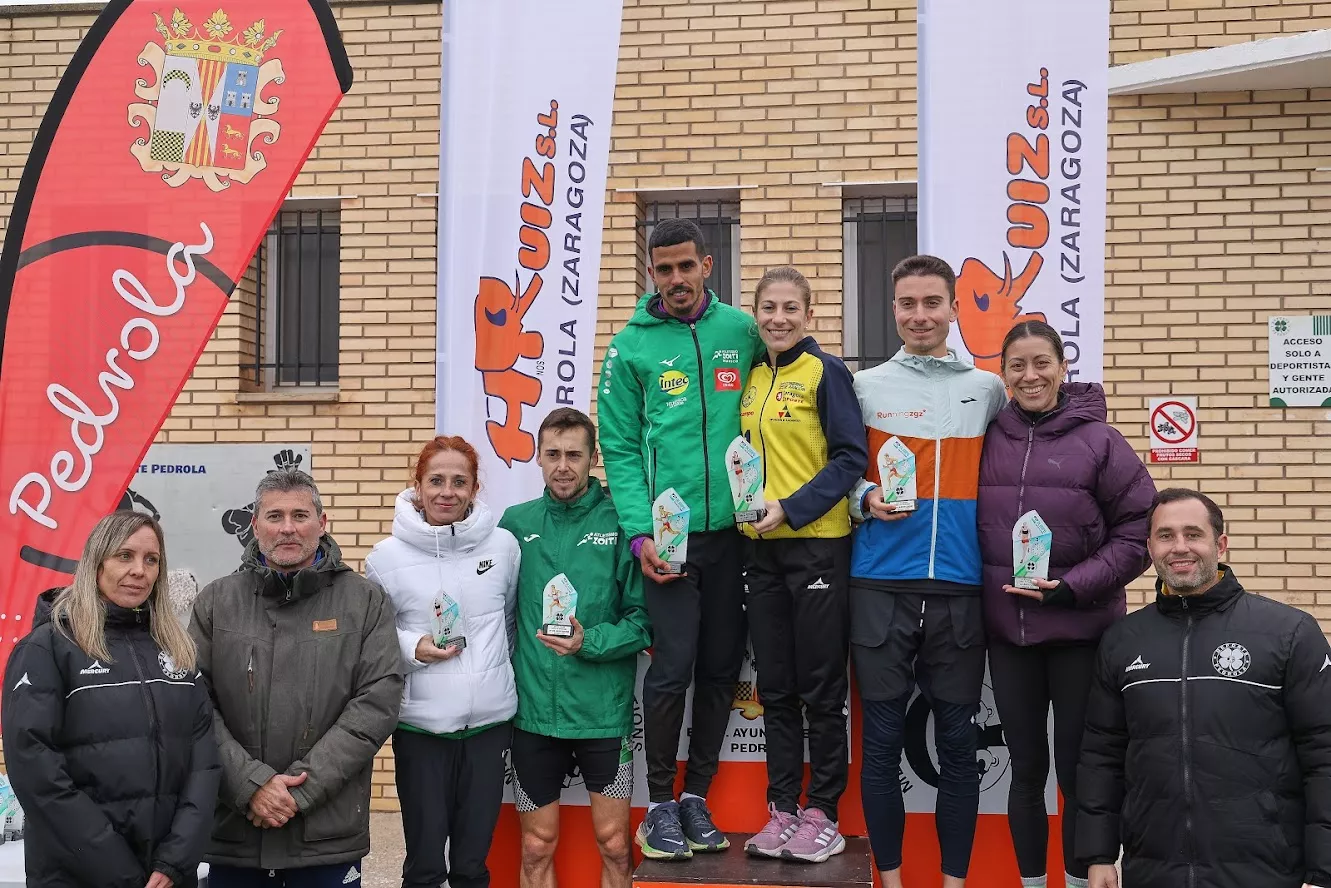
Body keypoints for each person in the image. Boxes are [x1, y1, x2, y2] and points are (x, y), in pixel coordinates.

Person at [597, 217, 762, 859]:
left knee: (721, 670)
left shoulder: (741, 331)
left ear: (707, 266)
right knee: (671, 671)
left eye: (685, 266)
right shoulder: (630, 346)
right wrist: (641, 537)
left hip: (736, 536)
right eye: (663, 269)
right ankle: (660, 803)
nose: (675, 279)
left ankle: (697, 796)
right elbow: (618, 448)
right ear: (651, 274)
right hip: (669, 543)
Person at [1076, 489, 1331, 888]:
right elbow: (1101, 755)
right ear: (1150, 548)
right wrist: (1099, 855)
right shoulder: (1122, 641)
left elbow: (1324, 754)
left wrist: (1323, 870)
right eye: (1166, 536)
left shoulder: (1289, 632)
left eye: (1193, 534)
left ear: (1220, 544)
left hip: (1266, 871)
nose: (1180, 547)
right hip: (1154, 871)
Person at [977, 320, 1156, 888]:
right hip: (1010, 635)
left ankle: (1082, 881)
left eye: (1041, 363)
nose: (1030, 376)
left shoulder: (1101, 441)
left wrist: (1074, 585)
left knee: (1081, 773)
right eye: (1017, 366)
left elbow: (1140, 529)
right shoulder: (987, 436)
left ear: (1062, 367)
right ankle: (1032, 883)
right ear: (1003, 374)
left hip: (1082, 634)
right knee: (1026, 772)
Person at [847, 254, 1007, 888]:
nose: (920, 315)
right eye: (908, 303)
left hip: (959, 590)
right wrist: (864, 498)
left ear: (954, 308)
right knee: (883, 746)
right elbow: (836, 469)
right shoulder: (865, 386)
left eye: (932, 303)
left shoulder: (987, 388)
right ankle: (889, 882)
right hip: (880, 584)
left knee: (960, 748)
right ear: (893, 309)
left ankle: (953, 883)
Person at [190, 469, 402, 887]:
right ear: (255, 526)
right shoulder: (217, 601)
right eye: (275, 516)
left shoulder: (365, 602)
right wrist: (250, 785)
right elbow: (194, 704)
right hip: (237, 830)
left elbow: (376, 704)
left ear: (322, 523)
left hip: (326, 834)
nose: (287, 528)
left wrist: (297, 792)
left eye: (300, 515)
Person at [2, 511, 220, 888]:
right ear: (96, 562)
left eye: (151, 560)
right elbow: (36, 770)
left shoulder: (176, 649)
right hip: (80, 875)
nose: (139, 571)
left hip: (165, 876)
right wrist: (119, 872)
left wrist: (175, 861)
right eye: (125, 555)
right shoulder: (49, 647)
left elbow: (204, 762)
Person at [737, 266, 867, 863]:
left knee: (820, 688)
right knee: (777, 689)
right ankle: (783, 809)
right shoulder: (753, 375)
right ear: (756, 314)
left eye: (791, 308)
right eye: (769, 308)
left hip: (817, 545)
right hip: (761, 552)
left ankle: (823, 813)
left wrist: (790, 509)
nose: (779, 318)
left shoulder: (826, 371)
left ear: (809, 315)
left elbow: (849, 459)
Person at [498, 408, 652, 888]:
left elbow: (643, 621)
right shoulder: (515, 523)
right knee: (535, 845)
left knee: (614, 843)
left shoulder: (622, 523)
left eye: (573, 455)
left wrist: (590, 642)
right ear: (538, 458)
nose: (562, 466)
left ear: (592, 458)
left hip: (601, 715)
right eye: (553, 455)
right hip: (533, 716)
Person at [364, 436, 520, 888]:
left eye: (459, 481)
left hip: (489, 727)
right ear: (418, 486)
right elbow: (372, 638)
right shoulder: (385, 558)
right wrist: (412, 647)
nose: (446, 492)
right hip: (422, 729)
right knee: (425, 865)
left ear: (474, 489)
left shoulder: (503, 547)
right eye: (435, 481)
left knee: (472, 864)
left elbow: (510, 622)